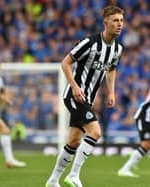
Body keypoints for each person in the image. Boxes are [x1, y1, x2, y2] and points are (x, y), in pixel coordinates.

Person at [46, 6, 124, 187]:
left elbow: (112, 68)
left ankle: (52, 181)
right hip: (74, 96)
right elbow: (65, 63)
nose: (119, 24)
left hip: (87, 98)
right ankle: (74, 175)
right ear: (106, 23)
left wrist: (111, 91)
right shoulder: (90, 42)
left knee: (73, 141)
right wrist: (74, 87)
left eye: (121, 21)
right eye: (115, 21)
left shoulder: (118, 49)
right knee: (95, 132)